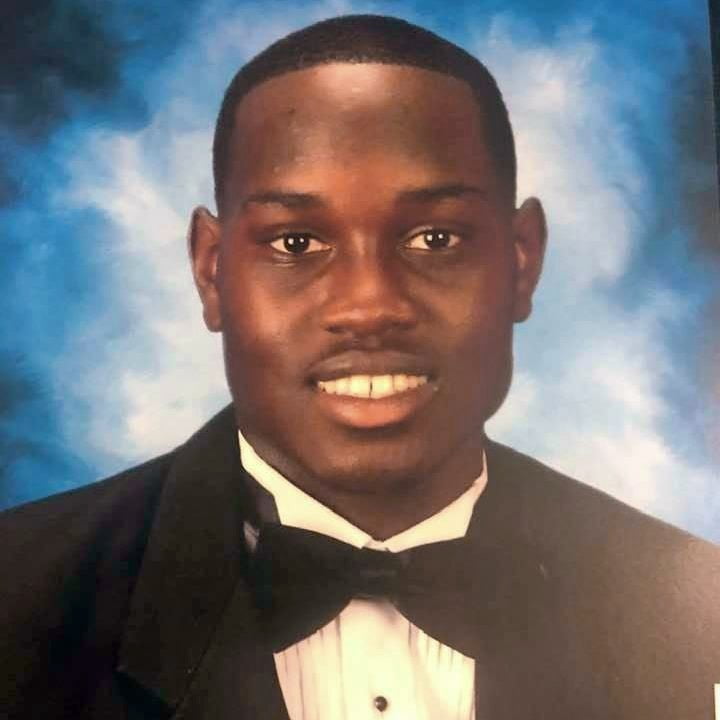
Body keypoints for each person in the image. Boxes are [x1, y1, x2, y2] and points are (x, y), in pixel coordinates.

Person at [1, 14, 718, 720]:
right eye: (297, 242)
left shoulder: (700, 616)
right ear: (212, 272)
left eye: (436, 238)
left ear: (522, 260)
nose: (370, 305)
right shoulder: (18, 597)